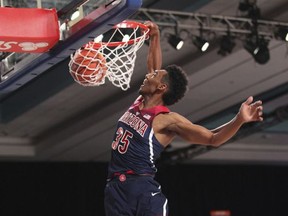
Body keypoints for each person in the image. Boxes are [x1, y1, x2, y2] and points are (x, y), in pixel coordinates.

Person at [104, 21, 263, 216]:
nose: (147, 75)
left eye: (153, 76)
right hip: (115, 190)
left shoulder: (166, 120)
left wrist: (239, 119)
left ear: (161, 88)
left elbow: (213, 138)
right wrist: (155, 36)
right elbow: (154, 66)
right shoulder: (139, 102)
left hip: (142, 189)